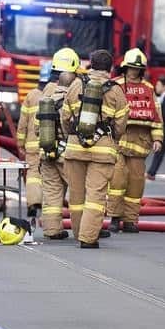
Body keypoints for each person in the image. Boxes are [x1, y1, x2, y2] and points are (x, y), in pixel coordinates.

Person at [61, 49, 128, 249]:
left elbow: (65, 117)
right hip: (102, 151)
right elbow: (121, 124)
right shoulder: (116, 90)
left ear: (90, 64)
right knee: (95, 196)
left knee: (76, 195)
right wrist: (111, 138)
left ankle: (78, 231)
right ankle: (88, 238)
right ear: (110, 68)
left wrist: (72, 136)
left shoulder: (75, 85)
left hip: (75, 147)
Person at [107, 49, 162, 233]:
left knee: (136, 183)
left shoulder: (148, 89)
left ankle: (130, 220)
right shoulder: (116, 86)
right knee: (117, 181)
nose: (133, 72)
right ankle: (114, 218)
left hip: (140, 145)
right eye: (131, 68)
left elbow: (157, 117)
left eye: (137, 69)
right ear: (125, 68)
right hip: (118, 143)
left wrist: (158, 139)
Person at [37, 48, 79, 240]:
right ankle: (84, 229)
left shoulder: (46, 92)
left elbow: (38, 127)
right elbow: (74, 125)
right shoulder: (75, 92)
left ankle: (52, 230)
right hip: (67, 152)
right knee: (79, 192)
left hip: (47, 151)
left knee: (52, 193)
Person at [16, 63, 52, 226]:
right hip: (51, 144)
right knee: (51, 176)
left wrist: (20, 142)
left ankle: (33, 204)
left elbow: (22, 122)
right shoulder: (56, 94)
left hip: (32, 145)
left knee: (32, 176)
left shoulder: (31, 96)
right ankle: (49, 207)